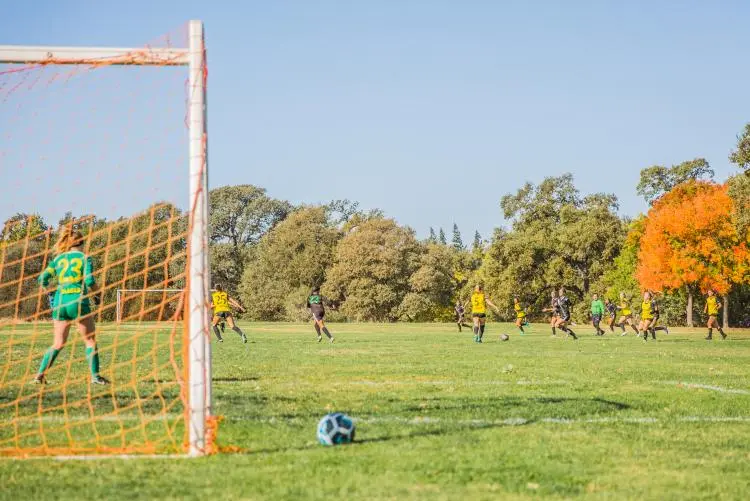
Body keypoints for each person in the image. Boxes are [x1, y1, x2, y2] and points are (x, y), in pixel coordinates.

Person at [34, 228, 108, 385]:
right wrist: (98, 293)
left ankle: (39, 375)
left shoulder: (58, 260)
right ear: (81, 242)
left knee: (58, 343)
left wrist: (50, 294)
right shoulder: (84, 258)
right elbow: (89, 281)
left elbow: (42, 279)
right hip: (77, 301)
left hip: (60, 302)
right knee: (90, 341)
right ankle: (95, 377)